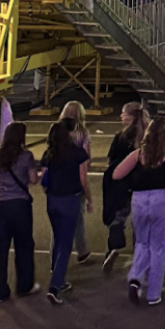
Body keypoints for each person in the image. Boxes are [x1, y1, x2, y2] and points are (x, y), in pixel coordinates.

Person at [112, 118, 165, 306]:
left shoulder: (137, 155)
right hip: (160, 201)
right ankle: (153, 294)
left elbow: (116, 173)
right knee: (159, 247)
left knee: (142, 242)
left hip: (139, 201)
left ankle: (135, 277)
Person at [41, 118, 92, 304]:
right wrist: (90, 199)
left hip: (52, 200)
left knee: (57, 236)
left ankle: (57, 274)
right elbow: (84, 179)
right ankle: (55, 286)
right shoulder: (77, 153)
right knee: (65, 243)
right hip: (70, 200)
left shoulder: (49, 154)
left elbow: (44, 180)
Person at [0, 121, 40, 303]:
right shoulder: (26, 156)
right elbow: (33, 179)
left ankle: (0, 290)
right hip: (20, 205)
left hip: (0, 206)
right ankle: (25, 285)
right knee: (24, 245)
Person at [102, 102, 149, 275]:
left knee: (118, 215)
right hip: (140, 183)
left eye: (122, 113)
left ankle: (114, 245)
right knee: (140, 221)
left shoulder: (121, 137)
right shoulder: (147, 135)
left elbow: (112, 159)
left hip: (121, 182)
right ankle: (140, 255)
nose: (120, 116)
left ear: (129, 117)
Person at [58, 100, 93, 267]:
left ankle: (56, 256)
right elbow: (87, 157)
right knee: (78, 217)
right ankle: (82, 250)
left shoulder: (56, 132)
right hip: (76, 179)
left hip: (59, 179)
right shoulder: (83, 133)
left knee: (58, 219)